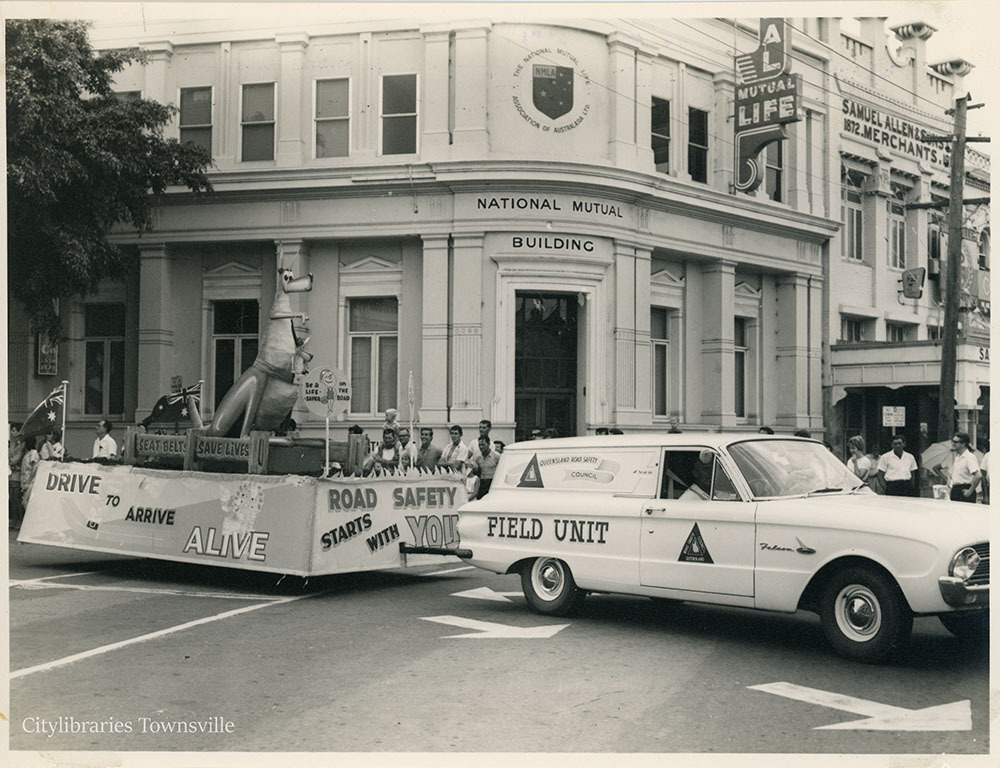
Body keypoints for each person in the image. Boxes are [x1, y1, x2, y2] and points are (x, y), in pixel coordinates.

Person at [948, 431, 981, 503]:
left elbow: (978, 475)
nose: (953, 444)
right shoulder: (957, 457)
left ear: (964, 443)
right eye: (952, 441)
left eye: (956, 442)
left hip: (964, 489)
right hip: (955, 489)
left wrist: (970, 491)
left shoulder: (969, 457)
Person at [18, 436, 41, 527]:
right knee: (25, 502)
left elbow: (35, 468)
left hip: (31, 481)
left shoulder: (33, 453)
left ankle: (32, 523)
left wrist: (29, 480)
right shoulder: (26, 453)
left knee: (26, 502)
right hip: (25, 481)